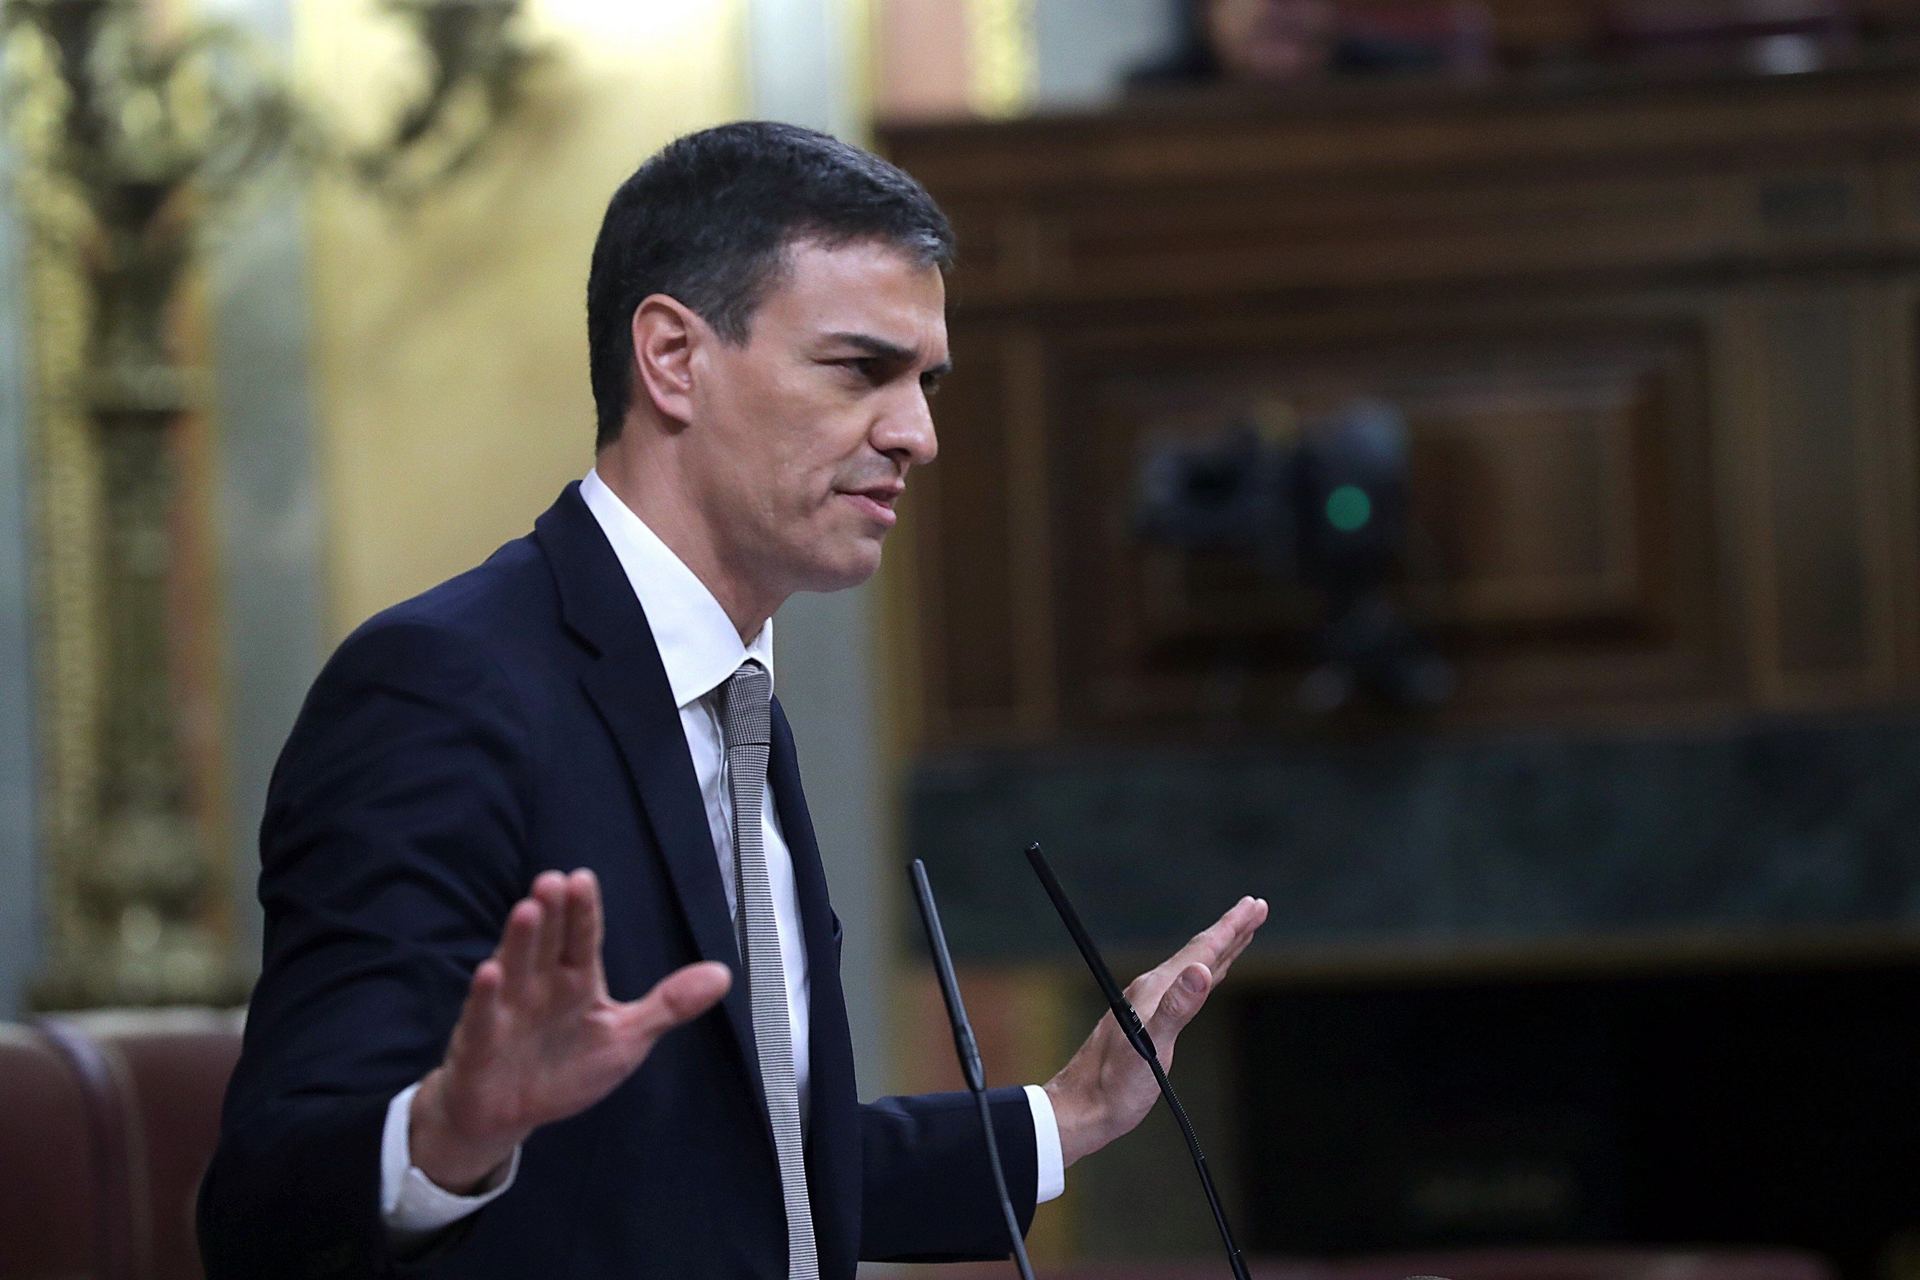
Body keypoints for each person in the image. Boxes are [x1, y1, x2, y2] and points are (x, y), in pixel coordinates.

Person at [197, 120, 1269, 1280]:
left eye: (928, 381)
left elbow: (739, 1179)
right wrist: (452, 1131)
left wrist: (1063, 1114)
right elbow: (266, 1195)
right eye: (863, 369)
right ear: (671, 358)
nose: (919, 433)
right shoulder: (439, 689)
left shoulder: (734, 693)